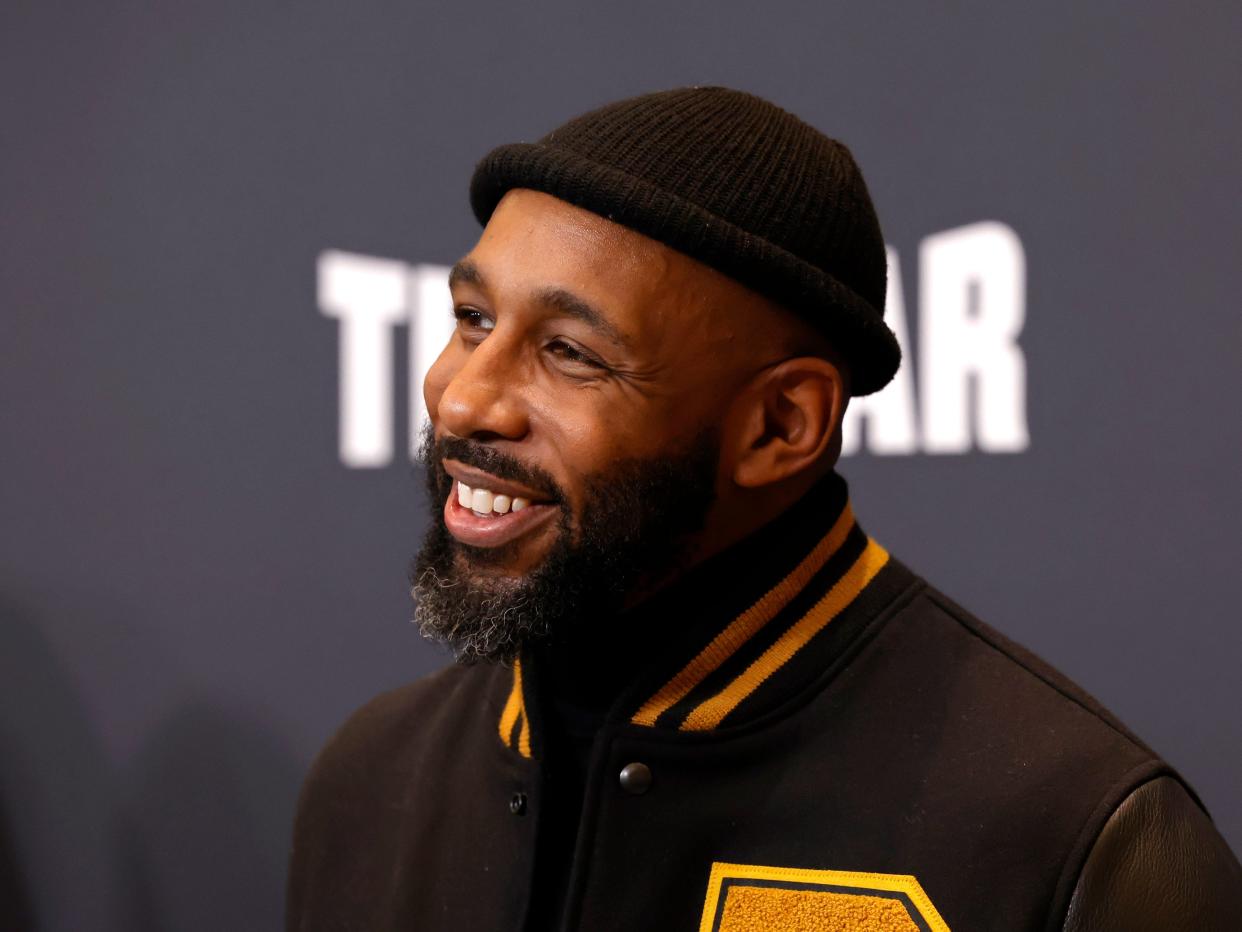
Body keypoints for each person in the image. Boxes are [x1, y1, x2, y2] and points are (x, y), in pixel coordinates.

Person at [286, 87, 1241, 931]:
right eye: (473, 320)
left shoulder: (1079, 837)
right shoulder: (373, 782)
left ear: (781, 424)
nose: (461, 400)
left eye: (569, 352)